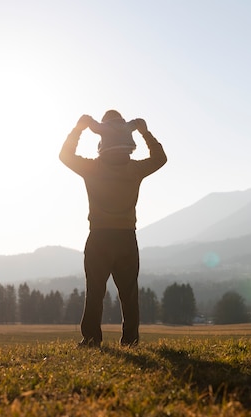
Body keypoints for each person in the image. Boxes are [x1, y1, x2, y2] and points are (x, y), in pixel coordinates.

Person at [59, 110, 167, 347]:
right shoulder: (135, 169)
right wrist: (146, 132)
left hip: (99, 237)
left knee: (95, 292)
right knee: (129, 294)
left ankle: (90, 339)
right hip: (127, 238)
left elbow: (65, 156)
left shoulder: (92, 168)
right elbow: (160, 159)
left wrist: (78, 129)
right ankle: (130, 341)